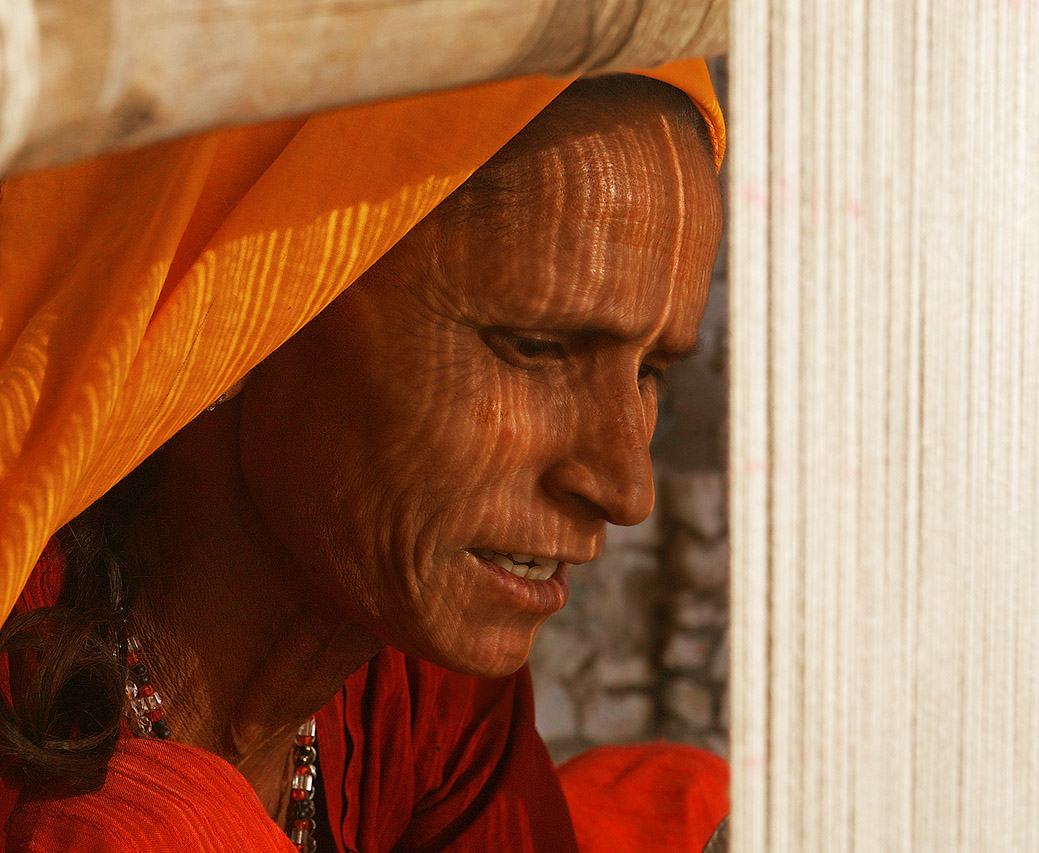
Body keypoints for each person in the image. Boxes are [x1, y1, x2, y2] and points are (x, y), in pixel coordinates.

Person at [0, 63, 727, 851]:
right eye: (535, 347)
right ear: (247, 304)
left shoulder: (426, 683)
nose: (626, 489)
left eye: (650, 372)